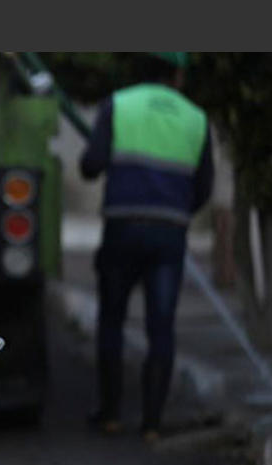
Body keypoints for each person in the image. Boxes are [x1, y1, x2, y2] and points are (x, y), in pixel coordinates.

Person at [79, 53, 214, 441]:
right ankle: (152, 423)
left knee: (112, 320)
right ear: (178, 74)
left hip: (122, 229)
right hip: (169, 235)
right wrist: (173, 211)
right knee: (162, 326)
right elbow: (203, 188)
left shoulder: (118, 105)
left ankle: (110, 414)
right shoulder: (196, 118)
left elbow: (90, 165)